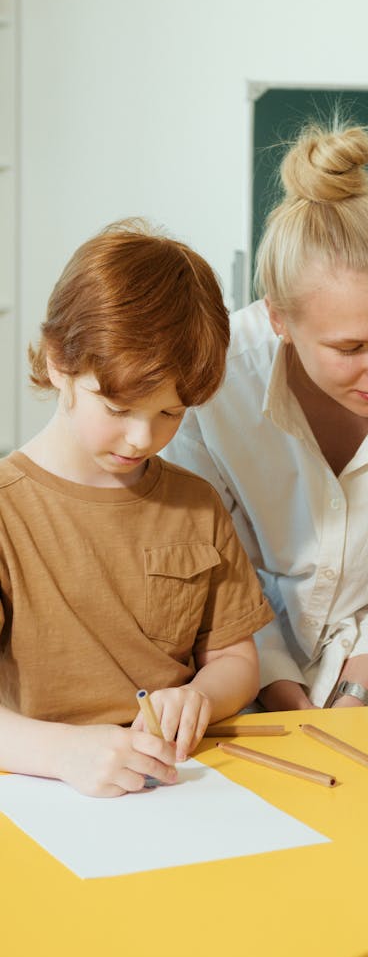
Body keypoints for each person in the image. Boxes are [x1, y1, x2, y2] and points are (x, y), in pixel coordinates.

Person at [167, 118, 368, 719]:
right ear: (280, 320)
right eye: (351, 348)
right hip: (227, 678)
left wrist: (360, 686)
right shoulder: (214, 383)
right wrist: (277, 685)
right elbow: (214, 565)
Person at [0, 220, 272, 799]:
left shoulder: (196, 504)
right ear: (58, 362)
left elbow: (234, 658)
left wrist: (201, 695)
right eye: (118, 408)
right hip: (41, 788)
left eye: (170, 414)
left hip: (177, 786)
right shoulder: (6, 510)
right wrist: (63, 751)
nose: (142, 438)